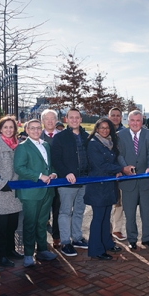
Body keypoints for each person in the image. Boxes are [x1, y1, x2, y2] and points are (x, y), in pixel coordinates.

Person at [14, 119, 58, 267]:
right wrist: (39, 176)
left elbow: (49, 165)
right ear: (27, 130)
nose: (36, 131)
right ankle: (28, 254)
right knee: (30, 223)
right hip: (31, 192)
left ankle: (42, 250)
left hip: (47, 191)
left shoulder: (45, 144)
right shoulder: (22, 147)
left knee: (42, 222)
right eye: (32, 128)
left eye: (38, 128)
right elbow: (19, 168)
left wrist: (53, 174)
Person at [0, 116, 24, 268]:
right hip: (1, 193)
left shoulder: (18, 145)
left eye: (11, 127)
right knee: (1, 228)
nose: (9, 130)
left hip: (15, 193)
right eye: (5, 127)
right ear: (0, 129)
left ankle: (10, 250)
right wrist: (1, 184)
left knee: (12, 225)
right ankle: (1, 256)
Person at [51, 108, 89, 257]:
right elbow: (56, 159)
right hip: (67, 183)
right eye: (71, 117)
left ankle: (77, 238)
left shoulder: (87, 136)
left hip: (84, 181)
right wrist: (66, 173)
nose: (74, 120)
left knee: (79, 211)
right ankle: (66, 242)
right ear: (66, 119)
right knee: (65, 212)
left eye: (77, 117)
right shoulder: (60, 138)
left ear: (80, 119)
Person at [84, 118, 123, 260]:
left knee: (106, 218)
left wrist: (116, 171)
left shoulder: (110, 143)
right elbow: (101, 165)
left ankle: (107, 243)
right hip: (97, 187)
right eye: (101, 128)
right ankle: (96, 249)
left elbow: (111, 163)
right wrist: (121, 169)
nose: (105, 130)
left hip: (108, 186)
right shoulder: (94, 144)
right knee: (98, 218)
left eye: (107, 127)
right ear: (96, 129)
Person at [117, 110, 149, 250]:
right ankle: (132, 239)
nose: (135, 123)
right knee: (130, 213)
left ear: (142, 121)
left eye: (138, 120)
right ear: (128, 121)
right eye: (132, 120)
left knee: (147, 212)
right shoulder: (120, 135)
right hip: (128, 181)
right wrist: (124, 167)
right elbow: (119, 154)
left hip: (145, 181)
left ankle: (147, 238)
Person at [40, 108, 61, 248]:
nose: (50, 121)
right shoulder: (37, 136)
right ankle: (41, 242)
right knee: (41, 212)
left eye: (52, 118)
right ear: (42, 121)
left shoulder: (64, 136)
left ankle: (57, 237)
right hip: (42, 180)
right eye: (47, 119)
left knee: (58, 209)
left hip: (59, 179)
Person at [108, 107, 127, 242]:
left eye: (118, 115)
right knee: (107, 202)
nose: (115, 117)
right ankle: (107, 230)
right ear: (109, 116)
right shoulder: (103, 129)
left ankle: (117, 229)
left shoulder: (125, 132)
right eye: (113, 115)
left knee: (119, 203)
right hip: (106, 173)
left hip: (120, 172)